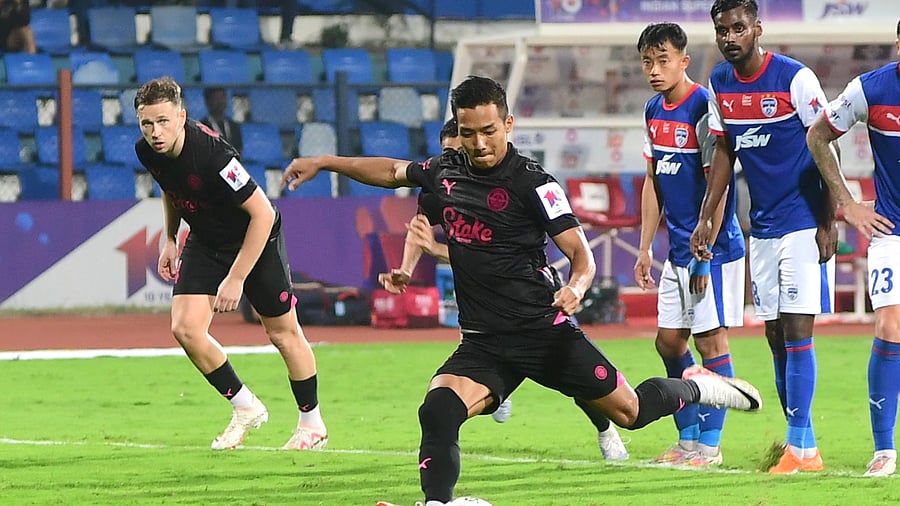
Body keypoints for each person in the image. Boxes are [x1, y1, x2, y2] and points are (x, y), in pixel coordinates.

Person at [283, 75, 762, 506]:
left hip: (543, 332)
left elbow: (582, 254)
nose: (478, 143)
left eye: (488, 131)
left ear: (507, 124)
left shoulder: (535, 183)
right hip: (485, 343)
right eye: (467, 132)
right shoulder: (446, 171)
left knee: (631, 413)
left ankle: (698, 386)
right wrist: (326, 162)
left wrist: (576, 287)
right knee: (438, 409)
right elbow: (391, 172)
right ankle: (438, 504)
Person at [380, 118, 628, 457]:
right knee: (470, 367)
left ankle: (604, 427)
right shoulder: (439, 187)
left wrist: (436, 250)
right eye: (449, 152)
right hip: (484, 308)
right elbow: (419, 230)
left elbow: (489, 253)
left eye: (461, 149)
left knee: (578, 380)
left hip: (532, 302)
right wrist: (405, 269)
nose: (459, 159)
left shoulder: (514, 184)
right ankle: (499, 387)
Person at [132, 76, 327, 451]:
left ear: (182, 117)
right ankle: (245, 406)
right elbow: (171, 187)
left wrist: (236, 278)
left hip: (255, 237)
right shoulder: (147, 151)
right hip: (207, 239)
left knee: (282, 333)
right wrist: (170, 237)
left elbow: (263, 214)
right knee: (186, 328)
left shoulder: (213, 156)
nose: (155, 132)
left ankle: (312, 422)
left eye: (163, 122)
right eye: (147, 123)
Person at [690, 0, 837, 475]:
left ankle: (797, 448)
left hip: (802, 223)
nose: (730, 37)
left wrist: (829, 220)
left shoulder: (795, 79)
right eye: (722, 30)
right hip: (765, 228)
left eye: (738, 28)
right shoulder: (720, 84)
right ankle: (806, 446)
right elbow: (724, 154)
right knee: (775, 336)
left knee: (796, 332)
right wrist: (706, 218)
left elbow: (825, 145)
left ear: (757, 28)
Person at [634, 22, 746, 467]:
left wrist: (706, 251)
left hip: (711, 250)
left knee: (710, 344)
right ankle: (688, 439)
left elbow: (716, 186)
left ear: (684, 60)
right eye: (648, 62)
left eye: (664, 61)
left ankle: (710, 448)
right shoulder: (652, 110)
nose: (655, 70)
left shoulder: (703, 107)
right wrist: (645, 247)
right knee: (668, 343)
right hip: (676, 250)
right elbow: (652, 181)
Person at [805, 20, 900, 477]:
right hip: (891, 230)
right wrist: (846, 204)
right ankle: (884, 449)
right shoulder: (870, 90)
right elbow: (817, 135)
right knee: (889, 325)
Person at [200, 87, 243, 154]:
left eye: (222, 98)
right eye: (216, 99)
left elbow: (239, 149)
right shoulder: (202, 127)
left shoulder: (234, 126)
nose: (220, 102)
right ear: (208, 102)